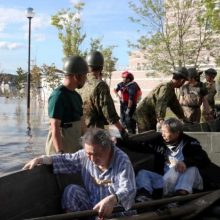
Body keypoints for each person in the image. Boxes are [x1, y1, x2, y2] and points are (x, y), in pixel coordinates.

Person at [24, 128, 136, 219]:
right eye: (88, 154)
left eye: (95, 154)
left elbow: (129, 189)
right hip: (93, 207)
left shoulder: (122, 161)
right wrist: (41, 159)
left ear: (108, 149)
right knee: (71, 191)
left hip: (116, 211)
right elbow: (67, 160)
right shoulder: (85, 156)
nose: (91, 159)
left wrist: (113, 199)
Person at [116, 118, 212, 199]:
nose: (163, 134)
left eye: (166, 132)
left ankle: (180, 195)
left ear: (177, 133)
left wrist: (185, 163)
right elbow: (140, 145)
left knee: (191, 169)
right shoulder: (158, 141)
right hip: (166, 180)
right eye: (162, 131)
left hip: (186, 181)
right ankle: (144, 196)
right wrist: (119, 141)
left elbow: (203, 158)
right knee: (143, 173)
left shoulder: (190, 142)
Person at [45, 55, 88, 155]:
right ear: (76, 76)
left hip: (74, 148)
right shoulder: (58, 96)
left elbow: (82, 124)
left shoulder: (77, 96)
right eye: (84, 75)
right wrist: (60, 153)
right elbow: (55, 127)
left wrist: (90, 142)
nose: (86, 79)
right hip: (62, 149)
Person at [79, 51, 128, 139]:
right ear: (101, 67)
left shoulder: (80, 83)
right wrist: (121, 130)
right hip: (95, 132)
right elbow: (109, 112)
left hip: (80, 130)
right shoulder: (100, 85)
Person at [134, 67, 188, 132]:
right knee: (145, 136)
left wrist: (183, 118)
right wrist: (161, 119)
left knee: (151, 135)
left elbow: (175, 105)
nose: (183, 84)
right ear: (182, 80)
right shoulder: (166, 87)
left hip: (150, 115)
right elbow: (161, 102)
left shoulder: (171, 89)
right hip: (143, 114)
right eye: (184, 81)